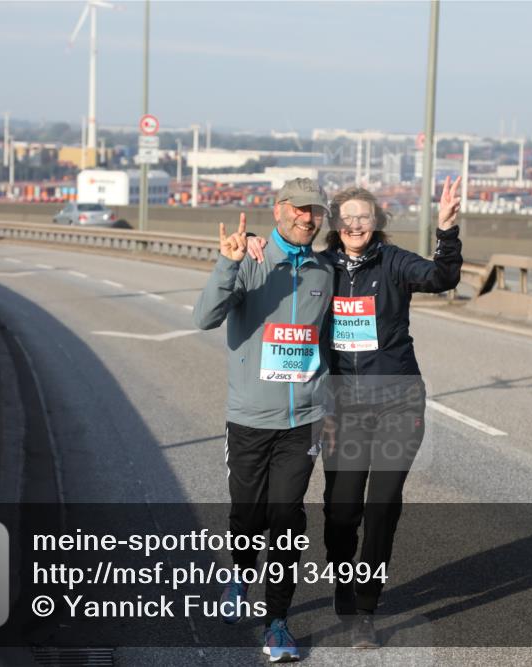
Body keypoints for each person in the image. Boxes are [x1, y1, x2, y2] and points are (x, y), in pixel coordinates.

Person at [247, 176, 462, 649]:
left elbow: (442, 277)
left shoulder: (394, 262)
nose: (356, 225)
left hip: (397, 400)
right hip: (342, 405)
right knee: (343, 511)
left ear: (377, 222)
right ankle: (344, 581)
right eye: (347, 218)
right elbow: (282, 260)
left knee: (382, 507)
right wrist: (252, 242)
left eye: (364, 217)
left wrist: (447, 230)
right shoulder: (321, 267)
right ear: (334, 225)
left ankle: (365, 609)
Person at [193, 178, 334, 663]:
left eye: (315, 211)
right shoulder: (250, 260)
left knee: (286, 518)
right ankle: (240, 573)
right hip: (250, 417)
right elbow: (204, 318)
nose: (308, 218)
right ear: (279, 211)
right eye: (299, 209)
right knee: (248, 515)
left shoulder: (324, 271)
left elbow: (333, 338)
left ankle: (278, 622)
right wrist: (228, 263)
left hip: (303, 420)